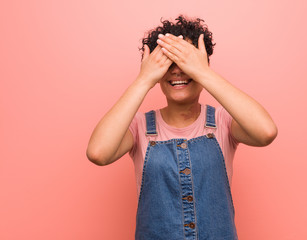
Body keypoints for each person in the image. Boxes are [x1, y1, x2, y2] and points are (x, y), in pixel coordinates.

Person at [86, 15, 278, 240]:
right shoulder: (138, 127)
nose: (177, 70)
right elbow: (98, 152)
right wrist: (143, 80)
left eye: (185, 61)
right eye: (168, 61)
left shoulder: (223, 122)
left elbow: (266, 132)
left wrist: (203, 72)